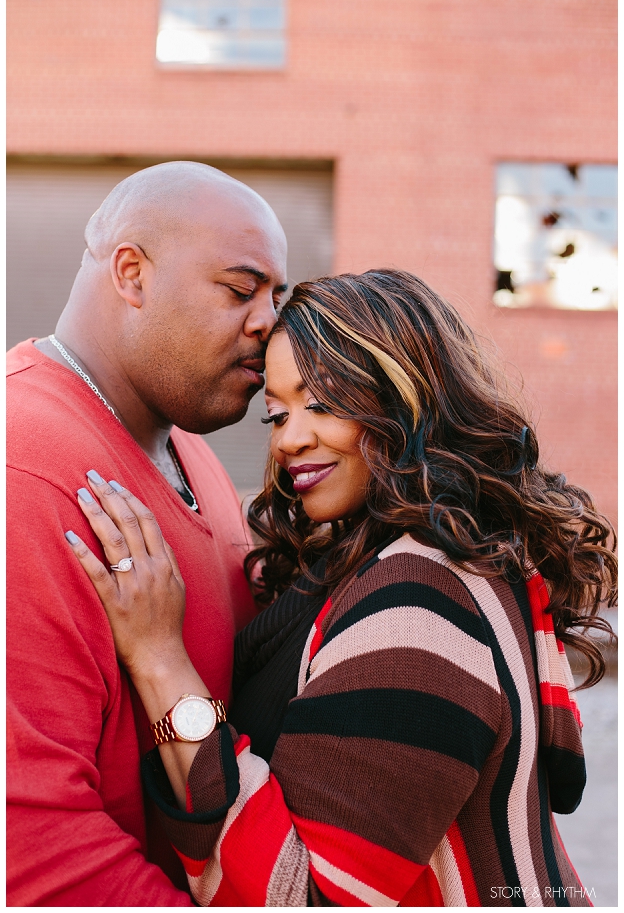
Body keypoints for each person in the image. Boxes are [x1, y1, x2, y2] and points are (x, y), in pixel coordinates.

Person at [66, 270, 616, 906]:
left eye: (323, 403)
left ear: (406, 399)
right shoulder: (451, 556)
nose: (290, 439)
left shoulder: (420, 598)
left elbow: (310, 899)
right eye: (276, 413)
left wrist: (159, 660)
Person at [6, 161, 288, 905]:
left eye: (275, 297)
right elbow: (30, 848)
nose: (268, 322)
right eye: (240, 289)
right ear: (131, 274)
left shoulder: (190, 447)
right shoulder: (24, 468)